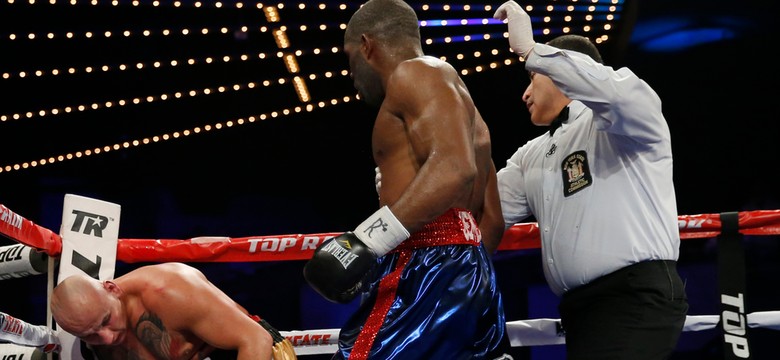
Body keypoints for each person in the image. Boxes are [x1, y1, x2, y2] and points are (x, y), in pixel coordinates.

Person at [302, 0, 510, 359]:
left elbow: (454, 170)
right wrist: (461, 275)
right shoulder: (464, 107)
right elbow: (491, 220)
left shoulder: (416, 73)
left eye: (351, 61)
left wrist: (368, 241)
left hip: (424, 262)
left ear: (367, 46)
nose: (352, 77)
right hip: (467, 267)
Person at [491, 1, 689, 359]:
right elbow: (484, 210)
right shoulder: (530, 155)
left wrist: (534, 52)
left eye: (533, 77)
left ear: (561, 70)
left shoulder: (623, 118)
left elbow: (612, 92)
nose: (525, 92)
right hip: (581, 310)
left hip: (633, 296)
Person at [50, 262, 296, 360]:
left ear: (112, 288)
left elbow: (254, 339)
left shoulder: (169, 292)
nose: (107, 337)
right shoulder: (91, 320)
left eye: (106, 320)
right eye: (90, 335)